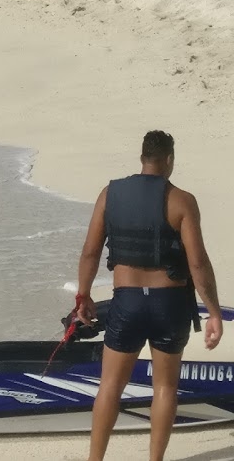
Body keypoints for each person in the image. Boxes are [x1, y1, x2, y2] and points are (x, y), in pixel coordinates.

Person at [73, 130, 222, 461]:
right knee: (165, 388)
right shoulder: (182, 200)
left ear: (142, 158)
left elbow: (89, 253)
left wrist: (83, 296)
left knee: (110, 385)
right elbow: (197, 262)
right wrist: (212, 311)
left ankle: (95, 459)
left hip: (127, 302)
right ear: (169, 159)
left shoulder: (109, 194)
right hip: (169, 305)